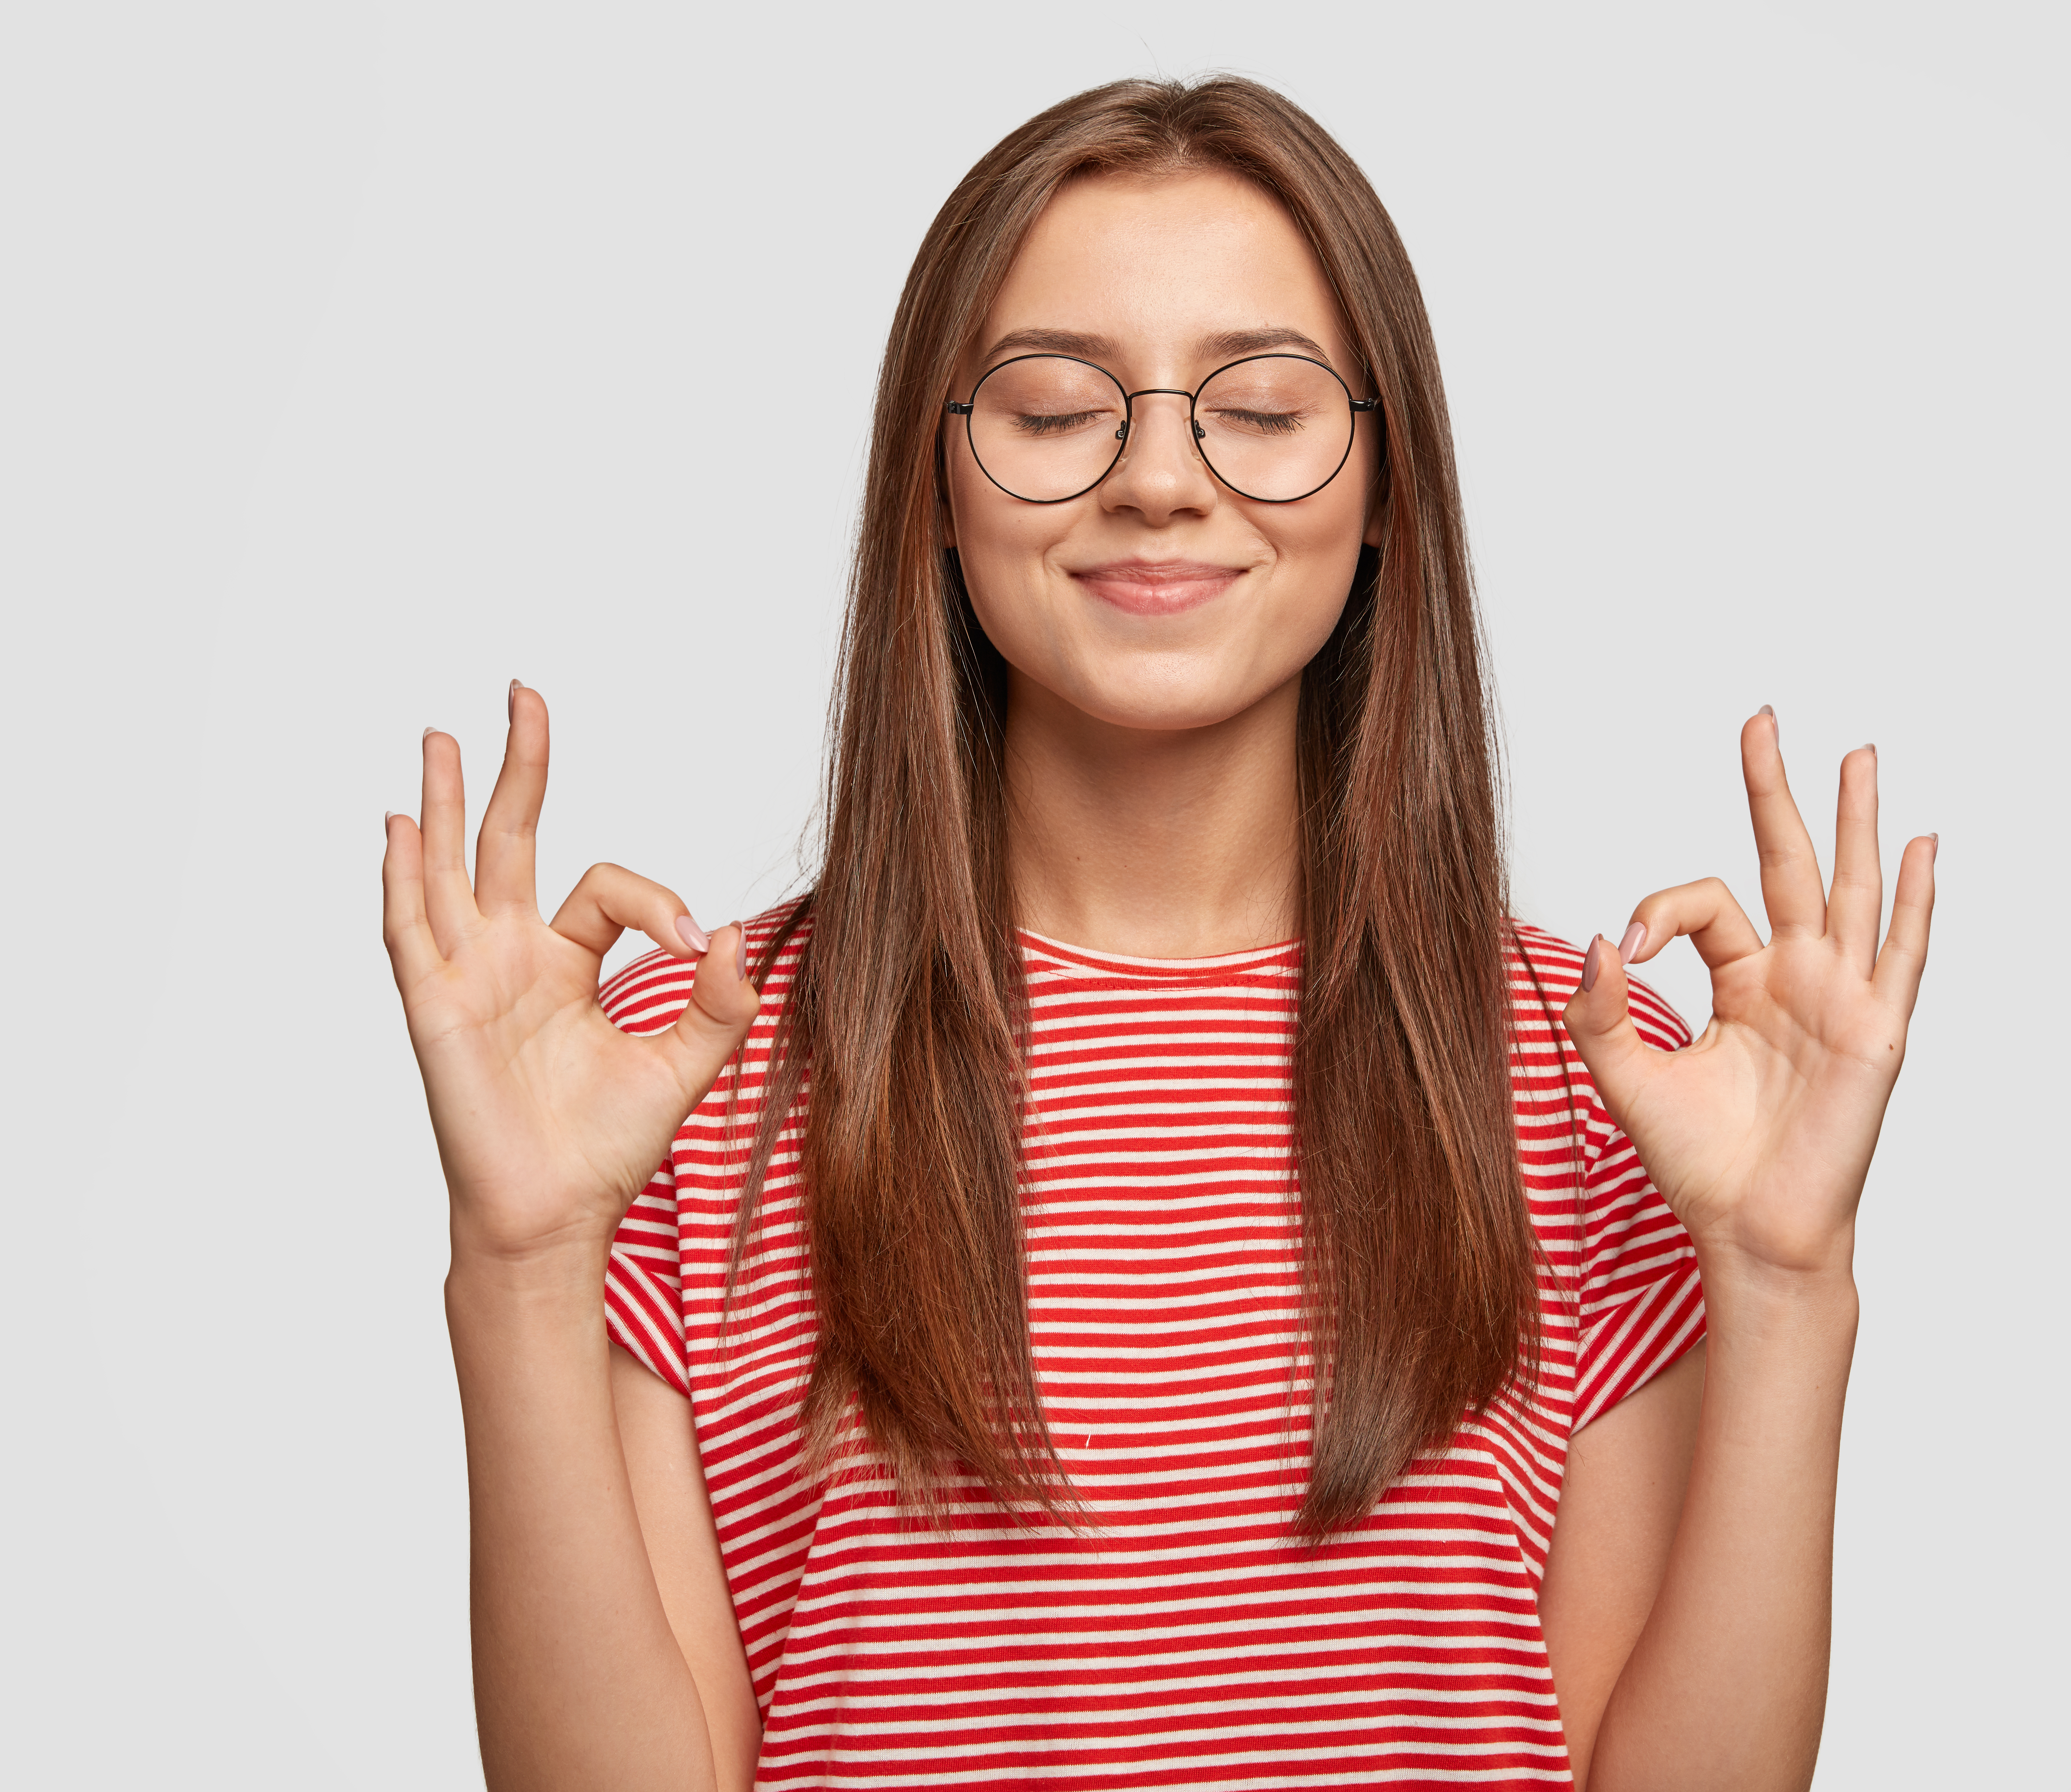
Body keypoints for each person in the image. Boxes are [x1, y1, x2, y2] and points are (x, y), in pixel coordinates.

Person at [381, 76, 1934, 1792]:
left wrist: (1790, 1287)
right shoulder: (686, 1065)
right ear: (936, 487)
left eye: (1262, 408)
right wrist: (520, 1267)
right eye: (1056, 411)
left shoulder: (1593, 1080)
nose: (1161, 481)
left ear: (1386, 484)